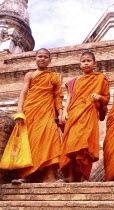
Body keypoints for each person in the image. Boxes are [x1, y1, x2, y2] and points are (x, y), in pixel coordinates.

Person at [11, 48, 63, 184]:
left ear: (49, 60)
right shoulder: (30, 75)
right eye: (40, 56)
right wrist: (19, 111)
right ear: (35, 58)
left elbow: (58, 96)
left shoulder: (53, 76)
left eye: (45, 57)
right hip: (31, 112)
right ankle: (26, 176)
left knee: (50, 141)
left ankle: (50, 177)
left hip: (47, 113)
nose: (42, 59)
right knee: (29, 143)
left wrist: (61, 113)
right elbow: (23, 93)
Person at [60, 51, 110, 182]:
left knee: (85, 146)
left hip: (89, 114)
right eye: (84, 61)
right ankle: (70, 176)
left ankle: (83, 176)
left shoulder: (100, 78)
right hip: (74, 114)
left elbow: (106, 98)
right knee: (71, 145)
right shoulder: (75, 81)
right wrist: (65, 111)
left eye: (89, 61)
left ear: (95, 63)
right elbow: (69, 97)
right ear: (80, 64)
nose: (86, 63)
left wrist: (99, 97)